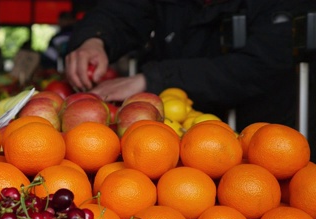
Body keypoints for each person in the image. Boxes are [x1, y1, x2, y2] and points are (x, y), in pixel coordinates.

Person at [65, 0, 302, 131]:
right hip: (167, 137)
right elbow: (121, 12)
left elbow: (259, 67)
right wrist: (94, 40)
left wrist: (152, 79)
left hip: (258, 137)